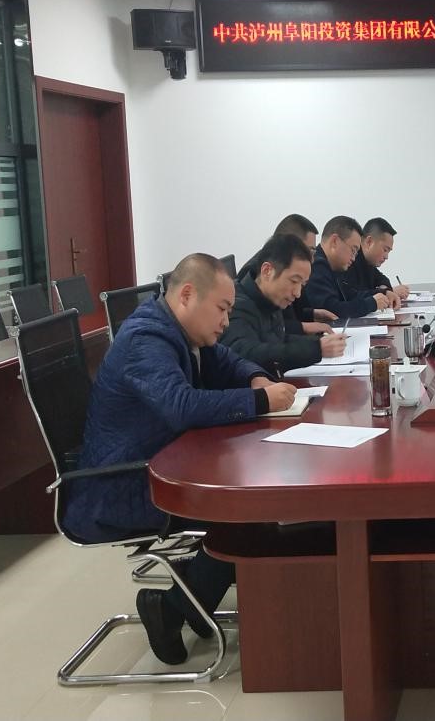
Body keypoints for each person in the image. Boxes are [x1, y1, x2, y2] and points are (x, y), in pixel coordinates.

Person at [64, 254, 299, 665]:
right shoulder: (146, 339)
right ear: (188, 295)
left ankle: (187, 600)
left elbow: (227, 360)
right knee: (245, 507)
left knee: (252, 502)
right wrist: (261, 400)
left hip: (159, 465)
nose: (226, 321)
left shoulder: (181, 330)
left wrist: (255, 377)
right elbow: (181, 406)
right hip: (120, 485)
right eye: (222, 309)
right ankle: (174, 607)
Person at [222, 234, 347, 374]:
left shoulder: (270, 300)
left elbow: (278, 339)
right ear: (267, 271)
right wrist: (316, 349)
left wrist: (318, 342)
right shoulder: (236, 305)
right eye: (294, 281)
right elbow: (247, 354)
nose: (297, 293)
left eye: (302, 284)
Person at [237, 214, 337, 335]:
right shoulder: (254, 272)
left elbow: (286, 315)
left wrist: (311, 314)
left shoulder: (292, 270)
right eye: (308, 251)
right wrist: (304, 329)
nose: (311, 259)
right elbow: (267, 326)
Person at [303, 215, 395, 320]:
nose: (354, 258)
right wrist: (371, 304)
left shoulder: (334, 267)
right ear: (334, 241)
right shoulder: (317, 265)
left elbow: (350, 295)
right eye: (353, 250)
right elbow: (332, 310)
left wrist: (382, 293)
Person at [341, 217, 411, 304]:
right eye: (385, 250)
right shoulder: (349, 260)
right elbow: (352, 296)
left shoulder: (368, 262)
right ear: (369, 242)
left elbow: (382, 279)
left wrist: (385, 290)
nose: (386, 257)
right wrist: (386, 292)